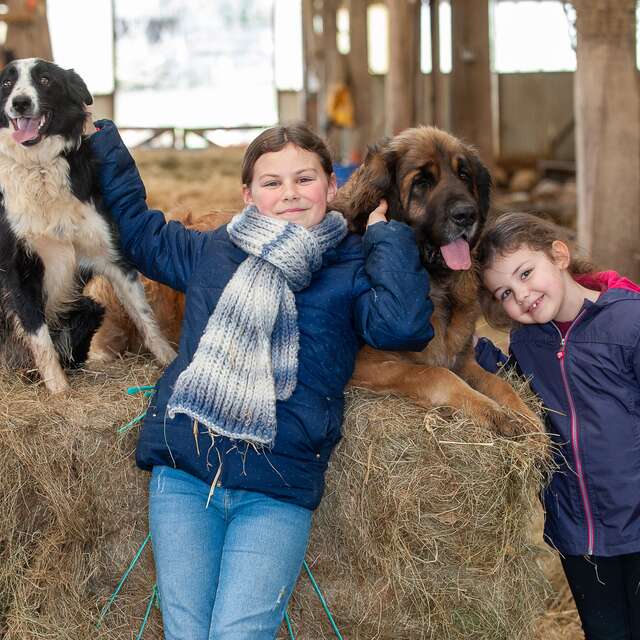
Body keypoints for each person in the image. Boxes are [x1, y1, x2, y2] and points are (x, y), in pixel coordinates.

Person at [86, 119, 434, 640]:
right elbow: (137, 231)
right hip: (185, 476)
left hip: (275, 488)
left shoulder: (352, 268)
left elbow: (402, 326)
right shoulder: (213, 251)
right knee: (185, 632)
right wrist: (101, 138)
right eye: (272, 182)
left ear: (331, 186)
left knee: (239, 633)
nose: (290, 194)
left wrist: (387, 238)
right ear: (248, 195)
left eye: (305, 178)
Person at [474, 211, 640, 640]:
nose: (523, 295)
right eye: (505, 292)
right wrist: (469, 351)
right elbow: (518, 388)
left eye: (527, 273)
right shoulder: (529, 341)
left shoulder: (628, 323)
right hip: (578, 534)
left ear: (559, 255)